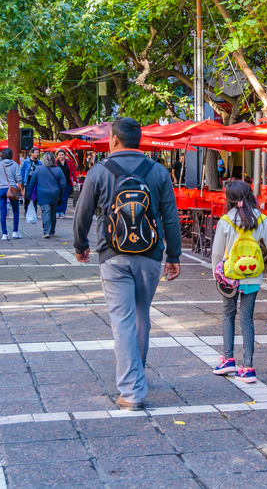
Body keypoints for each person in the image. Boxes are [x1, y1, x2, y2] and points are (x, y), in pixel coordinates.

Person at [73, 117, 182, 410]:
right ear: (140, 141)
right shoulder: (158, 171)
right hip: (150, 254)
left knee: (121, 320)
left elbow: (82, 212)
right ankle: (136, 375)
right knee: (141, 316)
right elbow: (170, 217)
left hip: (113, 255)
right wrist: (173, 256)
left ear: (114, 139)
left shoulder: (99, 171)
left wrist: (80, 245)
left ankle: (132, 392)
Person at [212, 180, 267, 384]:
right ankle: (248, 367)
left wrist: (217, 275)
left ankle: (228, 359)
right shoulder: (261, 219)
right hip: (253, 277)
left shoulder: (225, 221)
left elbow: (217, 253)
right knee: (247, 318)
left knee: (228, 314)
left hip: (230, 277)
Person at [27, 152, 71, 238]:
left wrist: (29, 194)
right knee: (53, 212)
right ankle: (52, 230)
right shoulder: (58, 170)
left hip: (42, 194)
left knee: (46, 212)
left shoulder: (39, 169)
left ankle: (46, 231)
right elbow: (63, 184)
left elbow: (32, 183)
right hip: (55, 194)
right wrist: (61, 195)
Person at [0, 148, 24, 240]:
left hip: (1, 189)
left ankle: (4, 233)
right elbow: (19, 178)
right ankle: (15, 232)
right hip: (12, 190)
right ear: (11, 155)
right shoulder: (15, 164)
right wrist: (21, 190)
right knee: (15, 210)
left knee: (3, 212)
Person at [20, 147, 41, 215]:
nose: (37, 154)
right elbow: (22, 172)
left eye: (38, 153)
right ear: (31, 153)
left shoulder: (39, 163)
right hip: (28, 182)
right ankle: (26, 211)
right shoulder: (26, 162)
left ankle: (34, 212)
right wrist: (21, 182)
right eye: (36, 152)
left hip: (37, 183)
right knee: (27, 197)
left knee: (35, 198)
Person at [55, 149, 75, 219]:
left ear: (65, 155)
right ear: (57, 156)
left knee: (65, 198)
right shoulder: (55, 163)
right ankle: (57, 211)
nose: (61, 156)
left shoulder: (68, 162)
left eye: (62, 155)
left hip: (67, 182)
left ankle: (63, 212)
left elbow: (73, 171)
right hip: (58, 183)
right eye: (60, 155)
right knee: (58, 197)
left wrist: (74, 180)